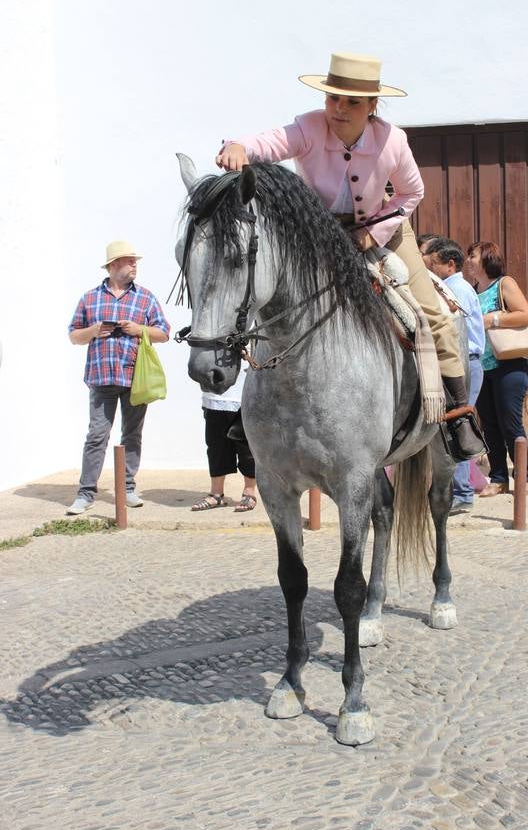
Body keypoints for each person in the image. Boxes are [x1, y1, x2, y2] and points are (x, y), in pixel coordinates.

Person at [215, 51, 483, 459]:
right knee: (271, 299)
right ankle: (257, 407)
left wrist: (373, 232)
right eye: (332, 99)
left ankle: (458, 413)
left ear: (372, 106)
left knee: (430, 311)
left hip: (385, 230)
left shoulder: (393, 140)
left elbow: (412, 193)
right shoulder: (309, 126)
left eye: (352, 102)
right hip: (319, 233)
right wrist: (238, 146)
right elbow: (269, 142)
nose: (339, 109)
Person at [66, 240, 170, 515]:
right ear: (113, 266)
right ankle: (86, 493)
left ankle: (128, 488)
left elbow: (164, 332)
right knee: (97, 436)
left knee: (132, 435)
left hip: (135, 379)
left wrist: (139, 329)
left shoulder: (145, 297)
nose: (135, 264)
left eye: (135, 260)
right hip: (101, 379)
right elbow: (74, 335)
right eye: (129, 260)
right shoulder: (90, 298)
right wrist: (94, 330)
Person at [465, 241, 528, 496]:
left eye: (473, 255)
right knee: (489, 424)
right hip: (483, 367)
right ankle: (499, 478)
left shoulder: (504, 284)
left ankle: (523, 476)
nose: (468, 260)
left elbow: (524, 314)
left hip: (509, 364)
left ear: (486, 259)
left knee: (510, 422)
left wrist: (490, 319)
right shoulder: (471, 291)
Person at [427, 240, 485, 513]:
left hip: (464, 364)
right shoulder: (453, 287)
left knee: (459, 425)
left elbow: (452, 332)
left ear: (450, 264)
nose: (431, 266)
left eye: (434, 262)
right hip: (461, 364)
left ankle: (462, 493)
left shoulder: (457, 289)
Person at [191, 366, 258, 512]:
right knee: (216, 446)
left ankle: (249, 492)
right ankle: (216, 493)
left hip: (244, 393)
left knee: (246, 448)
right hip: (214, 395)